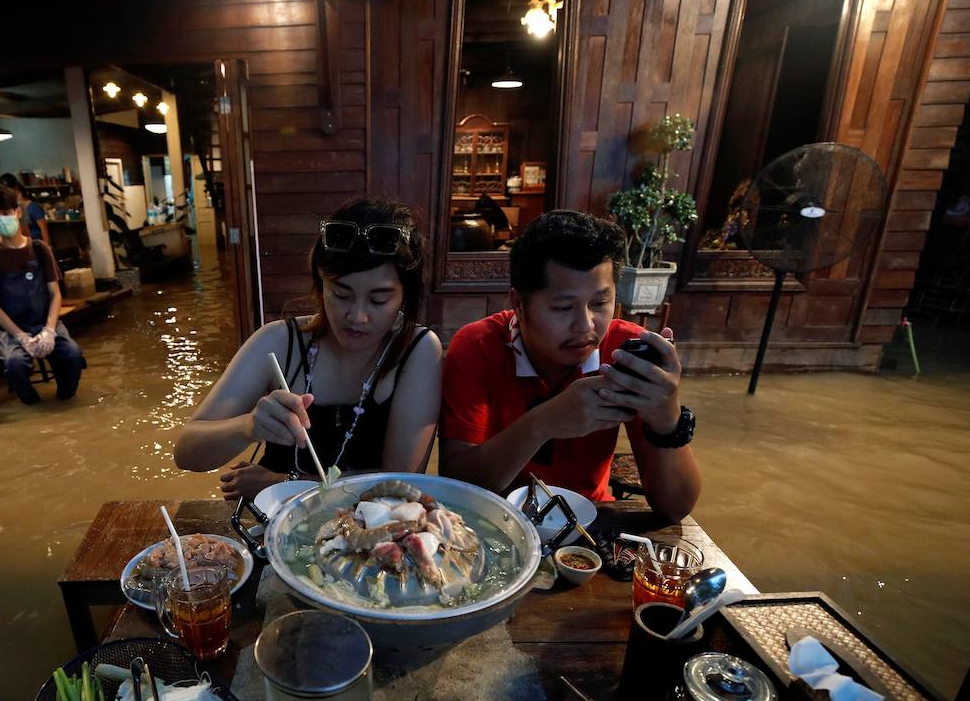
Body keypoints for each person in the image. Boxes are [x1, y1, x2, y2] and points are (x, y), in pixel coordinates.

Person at [439, 210, 701, 521]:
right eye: (563, 307)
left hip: (592, 523)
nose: (585, 325)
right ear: (519, 305)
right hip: (496, 522)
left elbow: (675, 509)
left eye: (600, 303)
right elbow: (456, 486)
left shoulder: (625, 354)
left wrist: (668, 419)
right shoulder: (476, 346)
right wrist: (544, 423)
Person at [175, 196, 443, 501]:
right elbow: (186, 452)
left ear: (404, 297)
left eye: (379, 299)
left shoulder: (417, 352)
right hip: (271, 527)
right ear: (320, 283)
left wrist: (284, 482)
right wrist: (248, 426)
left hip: (371, 535)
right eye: (341, 294)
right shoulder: (278, 342)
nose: (357, 316)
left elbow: (399, 485)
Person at [0, 185, 85, 403]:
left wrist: (49, 330)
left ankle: (65, 400)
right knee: (15, 364)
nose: (1, 219)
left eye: (5, 213)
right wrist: (21, 336)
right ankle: (32, 404)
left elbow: (55, 295)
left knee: (72, 355)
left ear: (17, 212)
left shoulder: (40, 249)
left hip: (44, 321)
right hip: (10, 328)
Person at [0, 173, 50, 245]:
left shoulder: (33, 207)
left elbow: (44, 230)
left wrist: (47, 248)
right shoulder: (11, 208)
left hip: (34, 245)